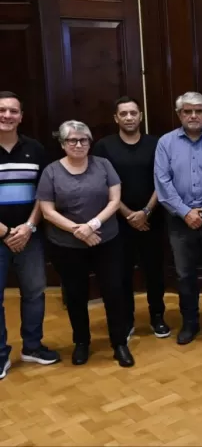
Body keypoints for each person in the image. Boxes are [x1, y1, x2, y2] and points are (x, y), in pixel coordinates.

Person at [37, 120, 134, 367]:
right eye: (72, 140)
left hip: (106, 240)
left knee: (114, 291)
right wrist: (77, 230)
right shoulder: (51, 172)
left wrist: (92, 226)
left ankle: (119, 343)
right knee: (76, 295)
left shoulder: (103, 165)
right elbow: (47, 210)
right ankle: (81, 343)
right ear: (62, 144)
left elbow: (115, 200)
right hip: (66, 245)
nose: (79, 144)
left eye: (84, 140)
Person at [155, 92, 202, 345]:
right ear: (179, 115)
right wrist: (186, 212)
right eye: (187, 111)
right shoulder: (166, 143)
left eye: (198, 111)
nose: (193, 115)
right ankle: (189, 323)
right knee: (184, 274)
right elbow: (162, 182)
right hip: (179, 220)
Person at [93, 96, 168, 340]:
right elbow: (102, 184)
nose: (128, 117)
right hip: (118, 221)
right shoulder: (104, 146)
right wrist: (127, 214)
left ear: (140, 116)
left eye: (133, 113)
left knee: (154, 272)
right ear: (116, 118)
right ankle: (127, 320)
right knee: (121, 273)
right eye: (123, 114)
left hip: (153, 218)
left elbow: (163, 179)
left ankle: (157, 316)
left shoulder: (156, 144)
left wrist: (145, 211)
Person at [0, 91, 60, 379]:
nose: (7, 116)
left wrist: (29, 227)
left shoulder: (35, 149)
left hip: (29, 235)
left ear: (21, 116)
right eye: (2, 110)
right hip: (1, 235)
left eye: (13, 111)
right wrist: (6, 231)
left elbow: (44, 194)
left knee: (35, 293)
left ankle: (32, 347)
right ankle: (1, 356)